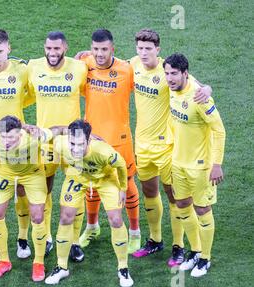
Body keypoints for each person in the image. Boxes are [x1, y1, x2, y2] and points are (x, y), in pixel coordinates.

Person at [130, 29, 212, 267]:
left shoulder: (168, 70)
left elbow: (197, 85)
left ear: (158, 49)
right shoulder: (133, 64)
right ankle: (155, 239)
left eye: (148, 48)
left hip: (166, 147)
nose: (144, 53)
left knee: (175, 196)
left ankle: (179, 245)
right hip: (141, 145)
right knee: (149, 192)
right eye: (140, 48)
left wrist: (207, 89)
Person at [44, 120, 134, 287]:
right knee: (65, 217)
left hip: (105, 180)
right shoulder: (60, 144)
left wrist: (123, 187)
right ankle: (61, 267)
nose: (75, 149)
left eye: (80, 144)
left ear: (89, 140)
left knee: (115, 219)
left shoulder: (103, 151)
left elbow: (121, 164)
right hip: (77, 177)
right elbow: (51, 138)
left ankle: (123, 268)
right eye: (72, 143)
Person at [76, 29, 141, 254]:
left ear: (113, 48)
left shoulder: (127, 69)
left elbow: (152, 73)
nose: (99, 53)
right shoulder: (85, 64)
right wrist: (80, 56)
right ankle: (92, 227)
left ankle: (135, 232)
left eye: (104, 49)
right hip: (91, 139)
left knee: (129, 184)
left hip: (120, 140)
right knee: (91, 181)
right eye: (95, 49)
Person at [27, 31, 88, 261]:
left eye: (57, 49)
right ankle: (49, 237)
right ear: (44, 48)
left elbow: (103, 66)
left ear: (66, 48)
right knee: (45, 190)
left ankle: (73, 241)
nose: (53, 53)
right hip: (45, 142)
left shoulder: (80, 67)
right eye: (49, 49)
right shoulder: (33, 67)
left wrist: (91, 53)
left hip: (73, 141)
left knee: (75, 190)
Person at [164, 53, 225, 277]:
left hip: (200, 167)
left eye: (174, 74)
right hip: (178, 163)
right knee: (182, 205)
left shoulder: (200, 98)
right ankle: (195, 250)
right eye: (167, 73)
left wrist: (216, 164)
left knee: (202, 209)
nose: (169, 78)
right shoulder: (173, 87)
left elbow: (219, 130)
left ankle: (206, 259)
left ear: (185, 74)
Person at [0, 29, 33, 259]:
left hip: (17, 140)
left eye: (0, 51)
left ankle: (22, 238)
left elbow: (35, 91)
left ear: (8, 48)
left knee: (21, 188)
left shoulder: (22, 69)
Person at [0, 116, 49, 281]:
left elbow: (57, 130)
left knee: (38, 216)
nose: (6, 142)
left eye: (11, 137)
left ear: (20, 134)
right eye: (3, 137)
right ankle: (4, 261)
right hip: (6, 172)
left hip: (32, 174)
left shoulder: (34, 138)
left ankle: (38, 263)